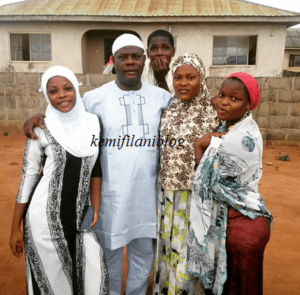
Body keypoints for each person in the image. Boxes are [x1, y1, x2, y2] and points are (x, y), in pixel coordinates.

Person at [23, 34, 173, 295]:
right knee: (108, 257)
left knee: (142, 257)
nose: (130, 62)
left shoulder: (162, 98)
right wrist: (40, 115)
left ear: (143, 60)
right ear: (113, 61)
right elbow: (66, 112)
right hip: (109, 197)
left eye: (136, 57)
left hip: (146, 196)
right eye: (123, 57)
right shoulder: (94, 99)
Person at [9, 66, 109, 295]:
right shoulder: (41, 129)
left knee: (88, 279)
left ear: (76, 89)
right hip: (44, 221)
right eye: (53, 91)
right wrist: (15, 228)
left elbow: (96, 168)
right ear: (46, 95)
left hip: (78, 218)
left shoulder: (94, 123)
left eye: (67, 88)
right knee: (53, 285)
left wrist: (95, 206)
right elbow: (28, 177)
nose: (62, 95)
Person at [188, 72, 272, 295]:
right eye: (222, 95)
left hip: (241, 229)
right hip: (239, 221)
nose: (224, 102)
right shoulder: (237, 126)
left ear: (249, 105)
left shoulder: (238, 140)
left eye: (234, 99)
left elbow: (204, 182)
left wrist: (200, 147)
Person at [154, 53, 219, 295]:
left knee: (189, 251)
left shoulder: (215, 112)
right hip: (168, 194)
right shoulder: (168, 110)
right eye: (178, 77)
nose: (183, 83)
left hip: (197, 196)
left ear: (201, 79)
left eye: (190, 77)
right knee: (170, 247)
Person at [142, 29, 175, 94]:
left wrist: (161, 80)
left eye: (165, 48)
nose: (159, 53)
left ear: (173, 52)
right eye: (154, 48)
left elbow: (173, 103)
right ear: (148, 53)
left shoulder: (179, 70)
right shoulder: (141, 69)